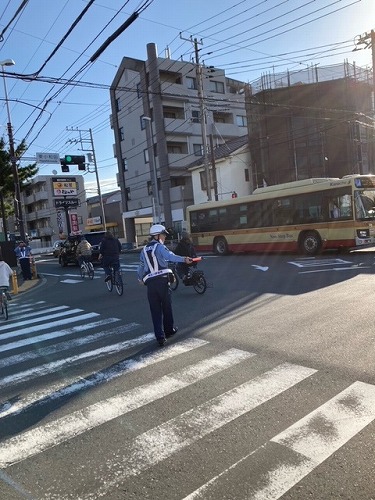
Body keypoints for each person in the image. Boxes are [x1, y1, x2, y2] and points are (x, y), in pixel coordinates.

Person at [137, 224, 193, 347]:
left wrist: (139, 278)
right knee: (166, 307)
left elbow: (141, 266)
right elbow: (170, 257)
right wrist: (185, 259)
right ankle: (169, 330)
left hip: (150, 284)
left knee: (155, 310)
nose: (164, 237)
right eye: (163, 235)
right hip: (162, 281)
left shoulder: (144, 250)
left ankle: (160, 337)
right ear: (157, 236)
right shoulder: (160, 247)